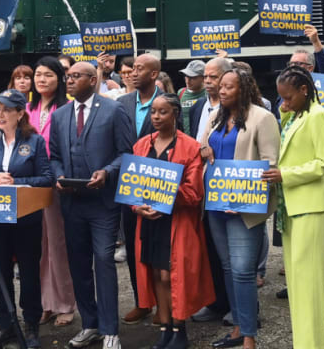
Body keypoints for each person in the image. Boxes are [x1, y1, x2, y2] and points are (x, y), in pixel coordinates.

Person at [49, 62, 132, 349]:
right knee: (79, 265)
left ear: (93, 79)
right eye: (67, 77)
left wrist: (107, 172)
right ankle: (90, 324)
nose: (69, 81)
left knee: (105, 262)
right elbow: (55, 155)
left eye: (75, 76)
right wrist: (58, 175)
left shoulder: (113, 110)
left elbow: (125, 153)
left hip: (102, 203)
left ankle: (111, 329)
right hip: (72, 203)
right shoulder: (59, 116)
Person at [199, 69, 279, 349]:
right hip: (218, 204)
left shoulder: (263, 118)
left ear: (243, 89)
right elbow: (202, 144)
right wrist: (204, 150)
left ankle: (249, 337)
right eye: (221, 86)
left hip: (245, 208)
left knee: (244, 271)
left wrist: (244, 198)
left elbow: (269, 164)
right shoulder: (216, 115)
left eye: (228, 87)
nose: (221, 91)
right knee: (228, 267)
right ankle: (237, 328)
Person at [131, 93, 213, 349]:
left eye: (162, 112)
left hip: (176, 221)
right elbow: (132, 186)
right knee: (156, 272)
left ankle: (180, 328)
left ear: (175, 114)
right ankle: (165, 327)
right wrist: (138, 207)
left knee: (172, 275)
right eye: (153, 112)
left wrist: (165, 191)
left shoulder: (190, 147)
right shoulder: (142, 145)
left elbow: (195, 193)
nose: (156, 117)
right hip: (149, 221)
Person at [0, 89, 55, 348]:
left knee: (29, 270)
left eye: (8, 109)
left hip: (26, 218)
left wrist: (16, 181)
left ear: (21, 113)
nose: (1, 114)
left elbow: (46, 178)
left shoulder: (35, 142)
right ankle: (5, 323)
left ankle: (30, 322)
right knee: (1, 271)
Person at [265, 65, 324, 349]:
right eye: (280, 98)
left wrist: (286, 175)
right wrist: (288, 111)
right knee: (296, 286)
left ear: (304, 91)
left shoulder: (318, 116)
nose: (283, 103)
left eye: (288, 97)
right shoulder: (297, 114)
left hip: (310, 207)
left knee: (308, 287)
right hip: (292, 208)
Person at [28, 57, 77, 327]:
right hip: (31, 185)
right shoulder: (27, 108)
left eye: (48, 75)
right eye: (38, 74)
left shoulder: (67, 108)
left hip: (56, 185)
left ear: (59, 78)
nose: (41, 79)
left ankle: (65, 303)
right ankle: (45, 302)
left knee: (58, 245)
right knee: (36, 247)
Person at [116, 53, 162, 325]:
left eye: (140, 68)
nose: (133, 72)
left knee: (156, 246)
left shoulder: (167, 103)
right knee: (133, 247)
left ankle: (163, 304)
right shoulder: (121, 104)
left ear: (154, 74)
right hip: (128, 185)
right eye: (132, 68)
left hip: (158, 185)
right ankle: (141, 302)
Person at [189, 57, 233, 322]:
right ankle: (217, 302)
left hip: (227, 188)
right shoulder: (197, 108)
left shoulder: (239, 110)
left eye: (213, 77)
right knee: (209, 247)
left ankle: (235, 306)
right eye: (205, 76)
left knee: (229, 253)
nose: (207, 81)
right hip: (202, 187)